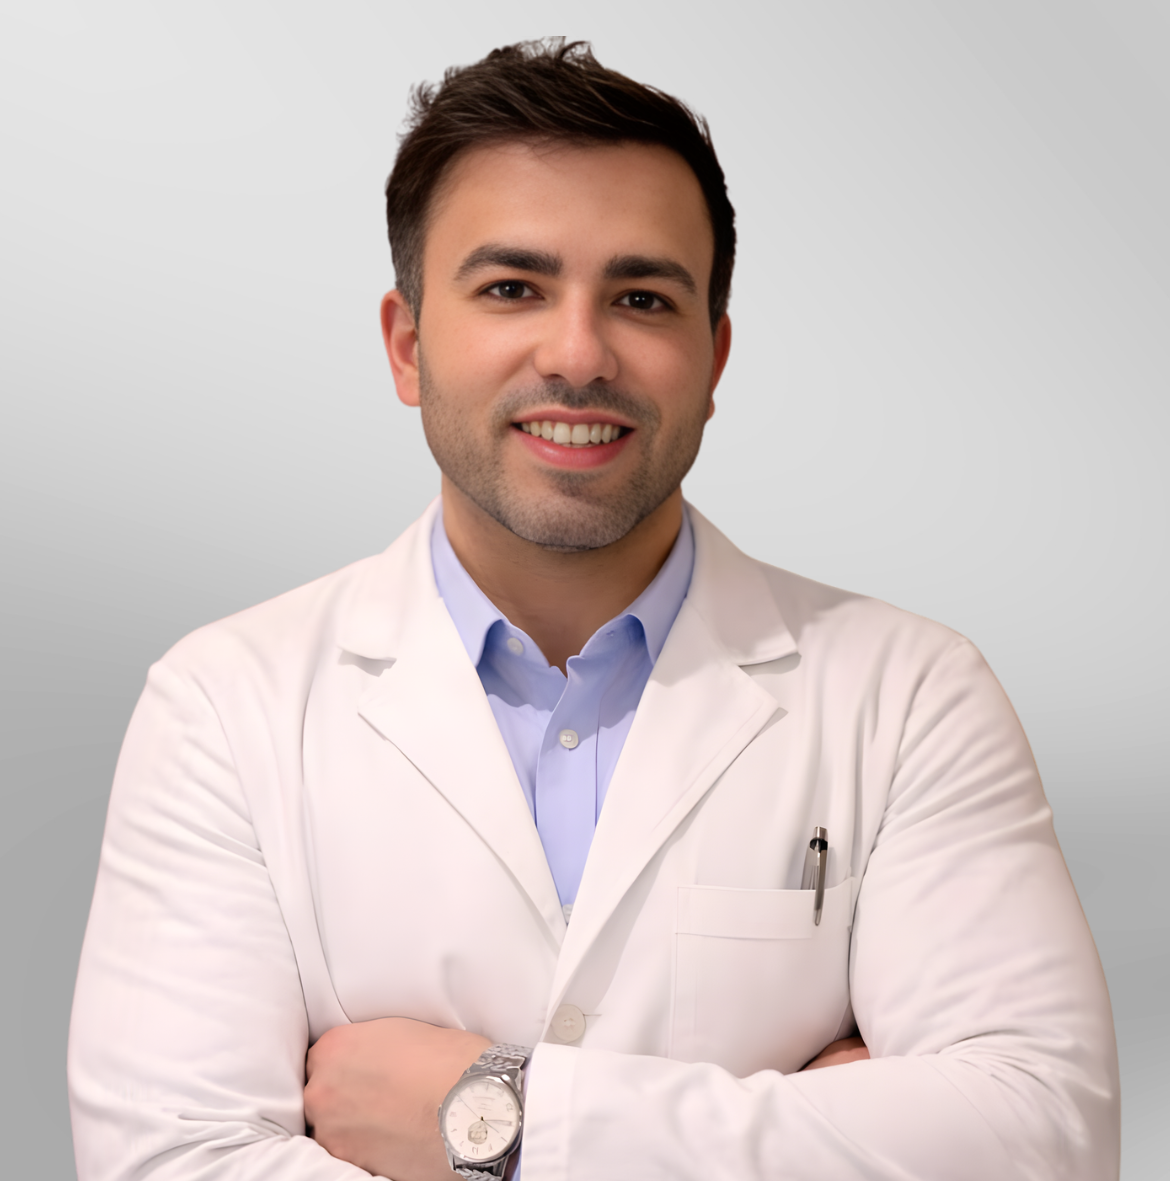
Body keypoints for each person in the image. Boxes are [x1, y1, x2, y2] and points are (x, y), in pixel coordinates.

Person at [68, 39, 1119, 1181]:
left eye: (642, 298)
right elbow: (168, 1161)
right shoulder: (224, 707)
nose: (578, 354)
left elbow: (1046, 1135)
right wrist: (811, 1125)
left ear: (713, 357)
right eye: (512, 288)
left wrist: (501, 1118)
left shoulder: (909, 695)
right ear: (409, 346)